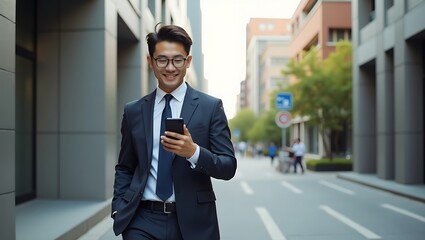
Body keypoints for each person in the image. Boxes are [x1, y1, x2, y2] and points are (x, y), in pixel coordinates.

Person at [111, 23, 237, 240]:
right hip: (141, 220)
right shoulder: (133, 111)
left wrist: (193, 152)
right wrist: (118, 207)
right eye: (162, 60)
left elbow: (228, 166)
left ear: (188, 61)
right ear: (150, 62)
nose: (170, 67)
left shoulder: (210, 107)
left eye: (177, 59)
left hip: (193, 223)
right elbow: (125, 166)